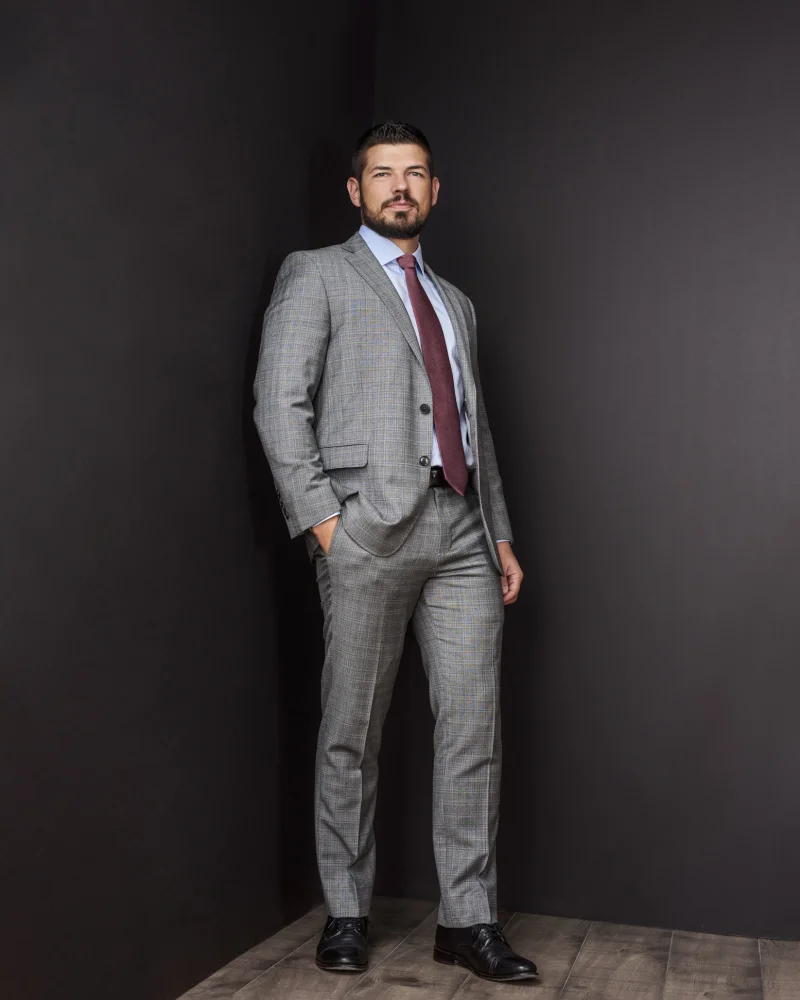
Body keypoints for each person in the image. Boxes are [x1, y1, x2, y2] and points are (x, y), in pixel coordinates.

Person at [253, 121, 537, 983]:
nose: (400, 187)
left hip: (462, 536)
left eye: (414, 174)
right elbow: (278, 401)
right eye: (383, 174)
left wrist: (499, 531)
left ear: (435, 190)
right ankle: (346, 910)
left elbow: (474, 423)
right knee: (352, 729)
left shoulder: (458, 303)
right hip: (366, 531)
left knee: (473, 731)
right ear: (357, 190)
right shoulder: (315, 274)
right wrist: (324, 523)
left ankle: (468, 921)